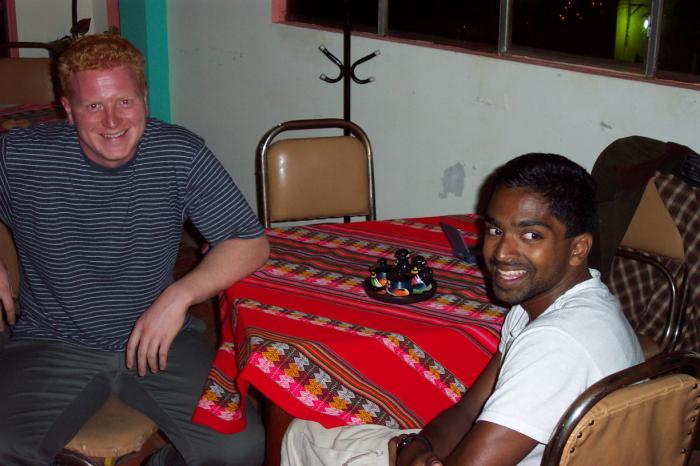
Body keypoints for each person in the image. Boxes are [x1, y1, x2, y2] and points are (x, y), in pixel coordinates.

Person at [0, 34, 268, 465]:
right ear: (67, 109)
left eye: (124, 101)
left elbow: (249, 243)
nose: (111, 120)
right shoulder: (21, 156)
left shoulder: (180, 152)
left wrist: (179, 296)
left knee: (240, 448)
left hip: (160, 339)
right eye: (93, 105)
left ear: (144, 98)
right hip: (52, 341)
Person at [281, 153, 644, 466]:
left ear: (578, 248)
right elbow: (468, 411)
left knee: (303, 436)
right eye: (496, 231)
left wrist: (407, 451)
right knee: (307, 432)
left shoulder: (556, 342)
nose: (501, 253)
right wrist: (418, 447)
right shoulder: (549, 306)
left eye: (531, 235)